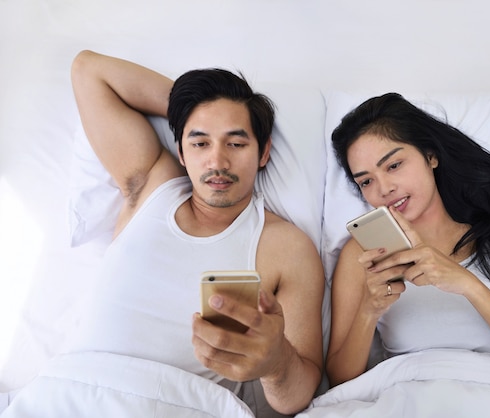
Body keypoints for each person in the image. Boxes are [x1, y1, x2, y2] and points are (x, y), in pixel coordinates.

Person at [68, 50, 324, 416]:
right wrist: (194, 106)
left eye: (236, 143)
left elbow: (294, 400)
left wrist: (277, 363)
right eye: (200, 142)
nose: (217, 161)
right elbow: (89, 71)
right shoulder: (150, 188)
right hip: (68, 392)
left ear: (264, 152)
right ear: (182, 153)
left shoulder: (286, 247)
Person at [325, 92, 490, 388]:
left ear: (431, 156)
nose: (384, 188)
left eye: (394, 165)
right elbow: (340, 381)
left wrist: (468, 284)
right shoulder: (362, 254)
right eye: (366, 181)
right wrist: (369, 310)